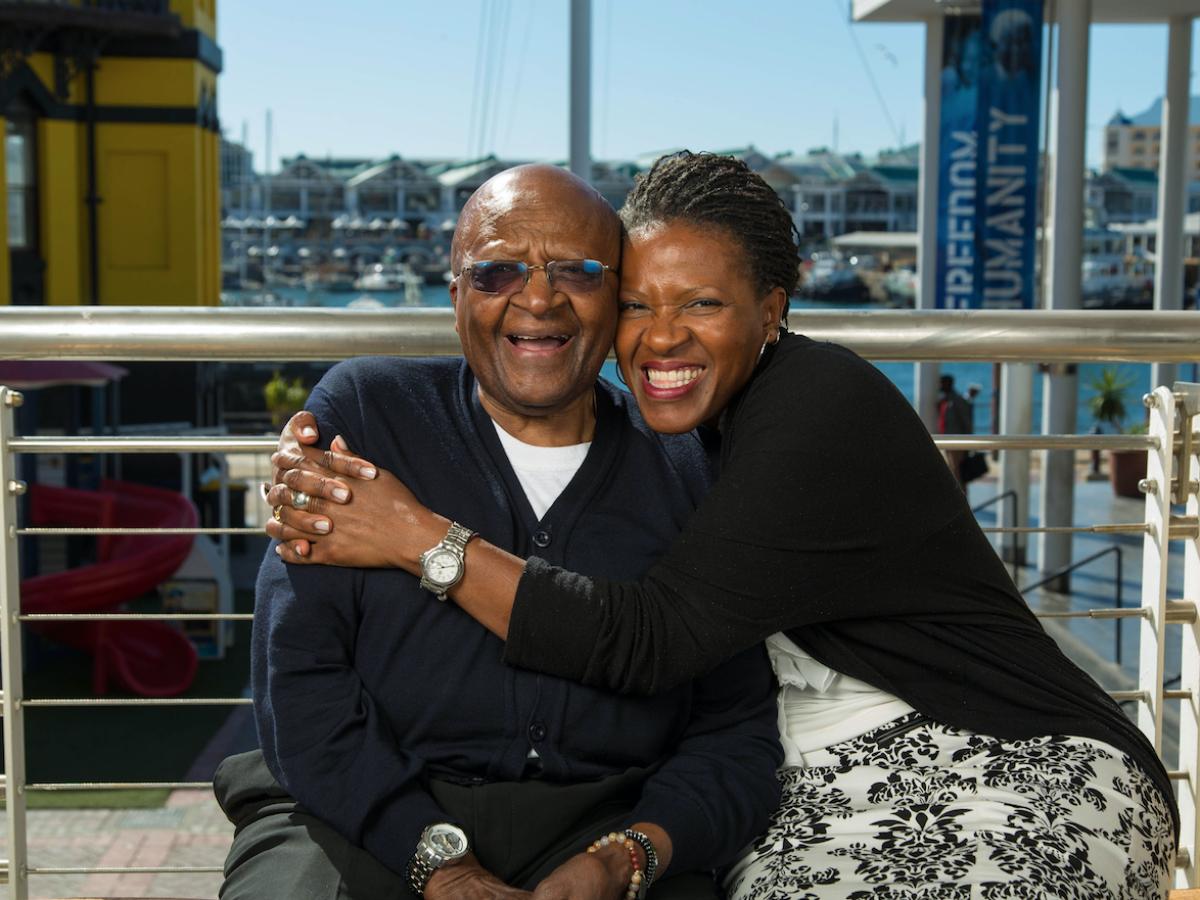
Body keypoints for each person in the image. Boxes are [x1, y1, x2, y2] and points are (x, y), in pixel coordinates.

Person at [268, 152, 1177, 897]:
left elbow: (654, 641)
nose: (661, 338)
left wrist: (418, 536)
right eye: (639, 303)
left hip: (1001, 752)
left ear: (772, 312)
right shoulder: (685, 435)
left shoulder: (814, 410)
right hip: (818, 775)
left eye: (701, 303)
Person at [225, 163, 783, 900]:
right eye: (497, 272)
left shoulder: (687, 466)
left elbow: (734, 727)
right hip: (359, 809)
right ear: (456, 295)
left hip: (608, 826)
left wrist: (632, 855)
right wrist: (440, 867)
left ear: (617, 296)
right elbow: (299, 688)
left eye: (577, 272)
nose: (539, 297)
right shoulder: (367, 416)